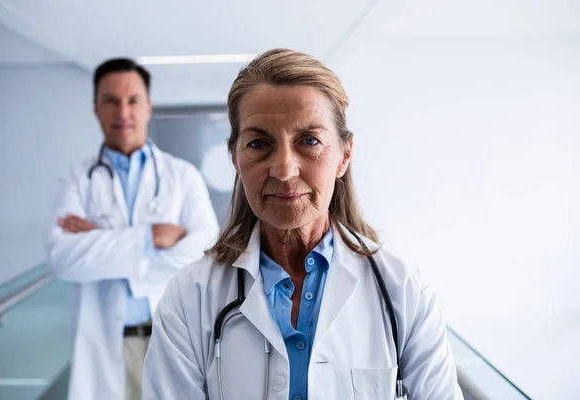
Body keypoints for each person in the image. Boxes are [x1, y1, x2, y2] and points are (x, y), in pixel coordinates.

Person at [142, 49, 463, 400]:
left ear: (344, 155)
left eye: (309, 141)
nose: (284, 170)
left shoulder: (405, 294)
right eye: (259, 143)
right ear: (235, 157)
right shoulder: (189, 298)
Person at [45, 58, 219, 400]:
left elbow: (203, 253)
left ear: (148, 107)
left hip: (168, 332)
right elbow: (63, 258)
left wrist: (100, 240)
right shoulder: (77, 180)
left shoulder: (182, 176)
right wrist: (150, 238)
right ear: (96, 108)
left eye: (132, 100)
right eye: (111, 100)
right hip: (104, 335)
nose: (122, 111)